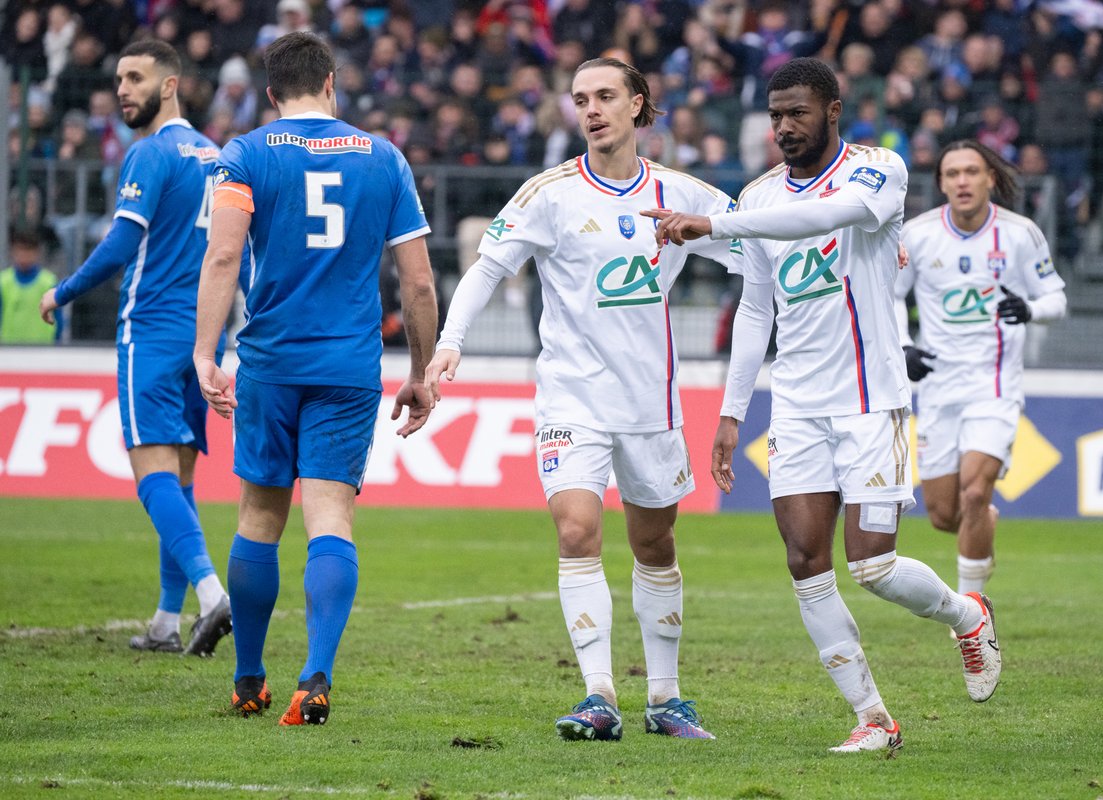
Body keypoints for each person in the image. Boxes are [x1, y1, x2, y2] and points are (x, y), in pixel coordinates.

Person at [643, 57, 1001, 754]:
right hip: (799, 408)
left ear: (833, 110)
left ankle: (967, 615)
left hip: (872, 403)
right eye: (775, 115)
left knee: (872, 565)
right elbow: (755, 309)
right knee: (806, 560)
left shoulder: (877, 171)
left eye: (798, 113)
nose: (784, 126)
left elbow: (829, 213)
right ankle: (873, 719)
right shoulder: (756, 198)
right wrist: (731, 412)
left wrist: (714, 226)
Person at [425, 56, 735, 742]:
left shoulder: (685, 194)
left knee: (656, 544)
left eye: (603, 96)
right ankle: (598, 694)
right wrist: (451, 340)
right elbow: (488, 268)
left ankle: (665, 698)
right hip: (572, 397)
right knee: (576, 531)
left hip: (651, 404)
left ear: (637, 105)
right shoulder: (550, 193)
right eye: (579, 99)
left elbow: (758, 246)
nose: (590, 109)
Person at [193, 31, 438, 727]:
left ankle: (247, 679)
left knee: (259, 517)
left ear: (271, 93)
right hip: (348, 367)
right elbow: (417, 282)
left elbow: (222, 257)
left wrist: (205, 354)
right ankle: (316, 675)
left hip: (270, 361)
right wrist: (420, 373)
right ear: (332, 82)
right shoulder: (382, 157)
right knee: (331, 517)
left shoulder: (244, 153)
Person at [38, 39, 234, 657]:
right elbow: (237, 254)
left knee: (151, 474)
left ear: (170, 85)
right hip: (201, 337)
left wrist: (62, 292)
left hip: (150, 330)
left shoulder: (151, 154)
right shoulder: (218, 156)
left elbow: (123, 244)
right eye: (119, 78)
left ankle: (211, 594)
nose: (121, 88)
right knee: (178, 476)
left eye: (135, 77)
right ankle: (165, 621)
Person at [893, 140, 1067, 598]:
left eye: (972, 171)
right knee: (944, 515)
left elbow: (1057, 298)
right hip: (937, 390)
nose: (963, 181)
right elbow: (890, 294)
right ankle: (981, 526)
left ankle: (974, 613)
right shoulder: (917, 234)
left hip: (994, 388)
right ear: (942, 184)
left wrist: (1029, 309)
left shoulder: (1020, 233)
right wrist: (904, 346)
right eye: (953, 174)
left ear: (991, 178)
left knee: (975, 492)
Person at [2, 229, 59, 343]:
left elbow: (59, 318)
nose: (24, 257)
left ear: (37, 253)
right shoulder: (3, 282)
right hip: (8, 349)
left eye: (28, 252)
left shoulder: (49, 282)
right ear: (12, 252)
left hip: (42, 349)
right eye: (20, 252)